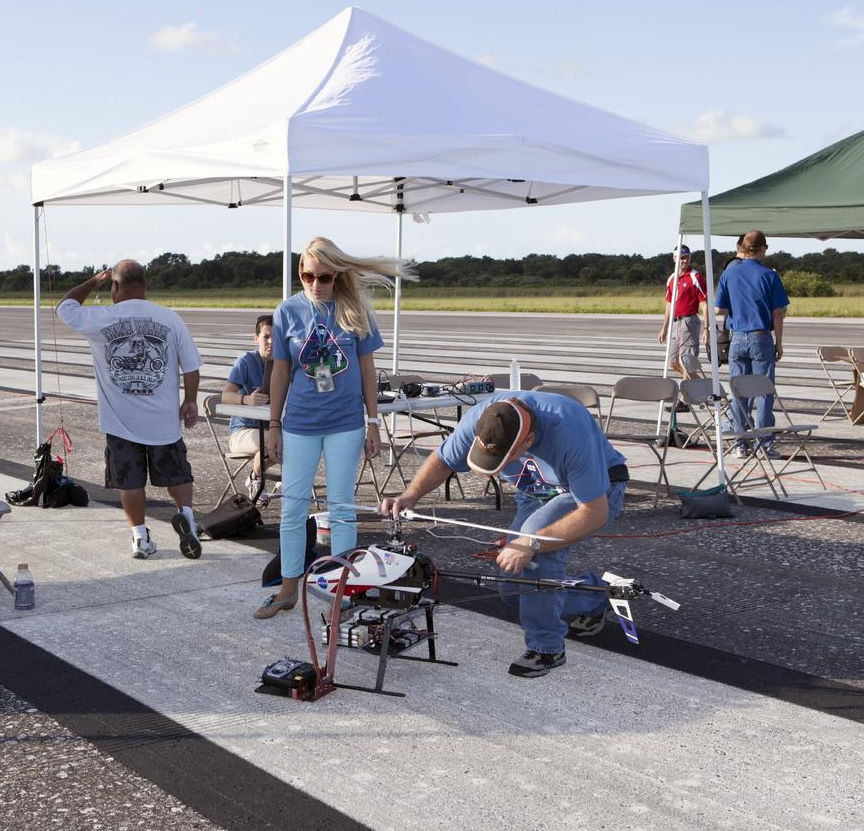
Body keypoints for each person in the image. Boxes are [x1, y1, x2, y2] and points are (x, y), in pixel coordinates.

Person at [379, 391, 629, 679]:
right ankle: (596, 595)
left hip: (595, 493)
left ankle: (547, 647)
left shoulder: (570, 431)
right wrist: (410, 496)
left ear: (528, 442)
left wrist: (532, 543)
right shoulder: (484, 417)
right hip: (536, 491)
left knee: (535, 549)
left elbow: (594, 512)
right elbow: (443, 460)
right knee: (513, 590)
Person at [255, 237, 416, 619]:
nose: (315, 284)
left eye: (323, 277)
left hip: (345, 424)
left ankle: (345, 592)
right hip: (300, 424)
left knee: (341, 508)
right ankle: (288, 588)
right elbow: (280, 371)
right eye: (307, 275)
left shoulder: (354, 309)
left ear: (336, 276)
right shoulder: (287, 312)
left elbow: (366, 369)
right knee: (293, 509)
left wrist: (374, 421)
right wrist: (273, 424)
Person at [56, 259, 206, 560]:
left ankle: (140, 537)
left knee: (130, 481)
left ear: (115, 286)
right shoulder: (170, 318)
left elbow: (64, 307)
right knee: (177, 474)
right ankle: (186, 516)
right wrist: (190, 400)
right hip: (163, 421)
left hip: (121, 422)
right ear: (145, 285)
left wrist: (92, 281)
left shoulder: (101, 318)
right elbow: (191, 366)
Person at [713, 230, 790, 456]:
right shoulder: (770, 275)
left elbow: (718, 309)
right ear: (761, 248)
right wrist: (780, 342)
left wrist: (739, 307)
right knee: (764, 392)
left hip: (737, 338)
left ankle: (740, 443)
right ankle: (763, 444)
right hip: (760, 337)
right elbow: (778, 313)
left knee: (739, 392)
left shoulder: (729, 274)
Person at [221, 313, 276, 505]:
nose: (271, 342)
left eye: (276, 337)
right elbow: (225, 395)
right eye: (266, 337)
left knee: (297, 440)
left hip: (272, 428)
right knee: (275, 441)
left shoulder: (285, 364)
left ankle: (257, 475)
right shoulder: (245, 362)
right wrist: (246, 399)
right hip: (243, 431)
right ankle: (256, 478)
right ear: (256, 338)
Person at [657, 244, 708, 386]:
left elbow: (704, 304)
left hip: (689, 322)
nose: (685, 261)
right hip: (675, 323)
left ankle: (683, 400)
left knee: (686, 363)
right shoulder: (672, 279)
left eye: (687, 258)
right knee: (673, 363)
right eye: (682, 258)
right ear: (674, 258)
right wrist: (664, 328)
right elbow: (669, 304)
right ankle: (708, 388)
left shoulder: (695, 277)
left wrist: (706, 328)